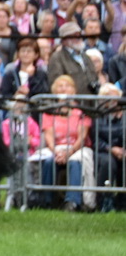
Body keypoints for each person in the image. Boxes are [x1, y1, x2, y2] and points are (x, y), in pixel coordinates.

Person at [39, 74, 94, 210]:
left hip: (77, 147)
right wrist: (56, 151)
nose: (64, 89)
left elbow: (82, 137)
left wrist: (69, 152)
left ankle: (72, 202)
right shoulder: (50, 112)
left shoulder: (82, 112)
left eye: (67, 86)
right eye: (60, 86)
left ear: (74, 91)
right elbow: (49, 137)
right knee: (48, 161)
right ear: (55, 91)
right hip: (56, 147)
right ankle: (47, 201)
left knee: (75, 161)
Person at [0, 94, 40, 211]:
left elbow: (37, 139)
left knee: (26, 169)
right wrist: (18, 142)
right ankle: (12, 196)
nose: (20, 106)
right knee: (12, 170)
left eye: (23, 104)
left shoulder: (31, 123)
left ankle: (27, 197)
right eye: (17, 103)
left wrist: (30, 140)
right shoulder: (6, 123)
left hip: (29, 154)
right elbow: (5, 140)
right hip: (11, 154)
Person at [93, 85, 123, 214]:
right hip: (103, 151)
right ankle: (103, 200)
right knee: (108, 163)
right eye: (108, 96)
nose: (113, 99)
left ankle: (122, 202)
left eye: (115, 95)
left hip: (123, 151)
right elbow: (95, 140)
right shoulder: (98, 116)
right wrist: (111, 149)